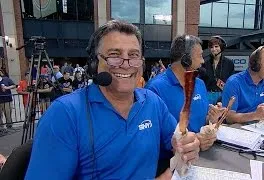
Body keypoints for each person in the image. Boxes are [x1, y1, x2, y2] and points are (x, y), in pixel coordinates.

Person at [25, 20, 200, 179]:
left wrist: (188, 144)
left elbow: (176, 141)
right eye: (114, 55)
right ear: (94, 63)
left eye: (133, 55)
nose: (125, 63)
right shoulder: (63, 114)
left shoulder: (153, 102)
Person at [146, 34, 225, 176]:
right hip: (171, 164)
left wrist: (212, 118)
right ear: (185, 59)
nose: (202, 61)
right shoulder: (154, 89)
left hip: (203, 157)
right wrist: (193, 142)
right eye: (199, 56)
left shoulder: (199, 83)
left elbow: (203, 118)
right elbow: (153, 137)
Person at [200, 36, 234, 105]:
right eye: (212, 47)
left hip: (223, 94)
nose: (214, 49)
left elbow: (232, 81)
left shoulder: (229, 63)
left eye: (216, 46)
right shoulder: (205, 63)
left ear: (221, 47)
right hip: (208, 94)